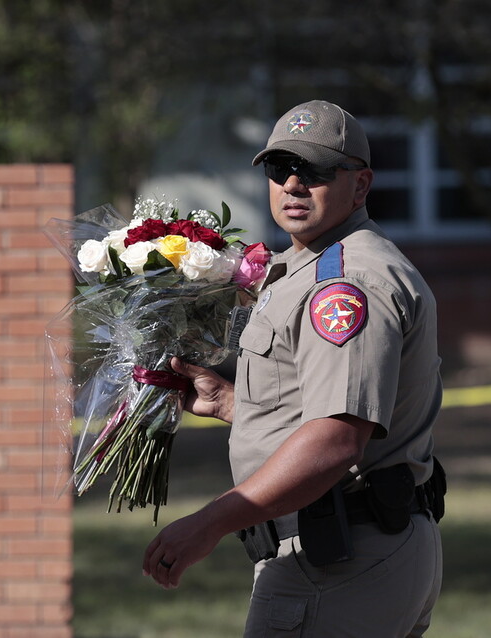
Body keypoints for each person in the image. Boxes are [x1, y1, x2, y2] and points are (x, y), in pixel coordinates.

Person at [142, 100, 445, 637]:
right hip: (351, 553)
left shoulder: (345, 283)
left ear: (361, 184)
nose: (293, 185)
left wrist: (208, 523)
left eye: (316, 170)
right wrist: (233, 403)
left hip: (338, 561)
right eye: (281, 168)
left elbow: (336, 439)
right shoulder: (307, 265)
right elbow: (319, 406)